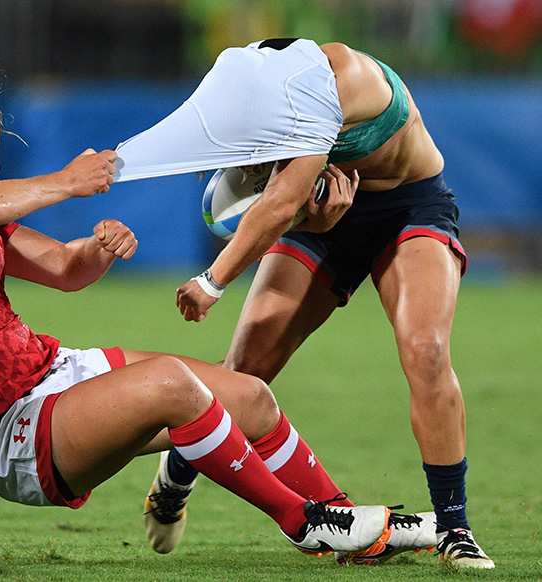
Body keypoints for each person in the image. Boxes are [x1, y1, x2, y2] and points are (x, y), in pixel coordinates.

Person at [0, 28, 396, 561]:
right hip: (7, 430)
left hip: (51, 375)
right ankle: (304, 522)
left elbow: (66, 268)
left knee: (249, 396)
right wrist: (68, 181)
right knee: (174, 386)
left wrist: (98, 248)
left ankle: (346, 517)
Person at [113, 38, 494, 569]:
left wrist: (212, 282)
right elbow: (243, 172)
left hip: (408, 205)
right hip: (323, 214)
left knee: (427, 350)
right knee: (244, 374)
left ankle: (454, 527)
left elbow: (281, 200)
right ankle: (175, 476)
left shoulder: (324, 85)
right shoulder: (254, 80)